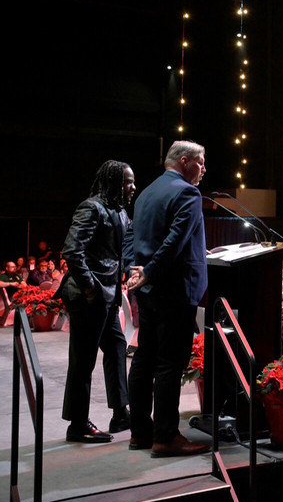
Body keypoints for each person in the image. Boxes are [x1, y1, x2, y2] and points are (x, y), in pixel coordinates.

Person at [125, 140, 210, 458]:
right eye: (201, 163)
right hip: (175, 289)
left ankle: (140, 433)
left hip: (149, 291)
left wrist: (136, 271)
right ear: (185, 161)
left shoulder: (146, 192)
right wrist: (151, 271)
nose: (203, 169)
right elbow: (175, 240)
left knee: (144, 359)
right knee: (169, 364)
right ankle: (165, 437)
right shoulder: (188, 193)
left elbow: (131, 236)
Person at [57, 160, 135, 443]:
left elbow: (124, 250)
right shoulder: (92, 207)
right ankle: (77, 424)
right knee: (83, 359)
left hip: (107, 296)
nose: (133, 187)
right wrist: (90, 287)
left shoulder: (120, 212)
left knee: (116, 347)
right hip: (88, 296)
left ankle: (121, 413)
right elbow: (72, 250)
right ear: (114, 181)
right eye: (128, 181)